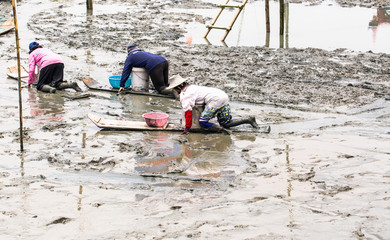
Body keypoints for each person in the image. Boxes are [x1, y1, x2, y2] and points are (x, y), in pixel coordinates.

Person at [166, 75, 259, 134]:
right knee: (225, 123)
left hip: (215, 100)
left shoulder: (185, 94)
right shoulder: (192, 87)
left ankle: (222, 130)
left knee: (202, 122)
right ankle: (248, 119)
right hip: (223, 96)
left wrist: (187, 127)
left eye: (174, 89)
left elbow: (188, 112)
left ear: (178, 88)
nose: (174, 91)